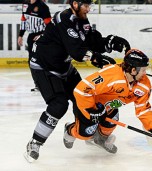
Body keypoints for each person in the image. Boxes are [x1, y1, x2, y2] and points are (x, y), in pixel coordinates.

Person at [24, 0, 130, 162]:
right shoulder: (63, 18)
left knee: (85, 97)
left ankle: (92, 135)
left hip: (64, 67)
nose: (88, 9)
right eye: (86, 5)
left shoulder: (81, 19)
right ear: (74, 3)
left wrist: (110, 42)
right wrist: (95, 57)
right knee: (59, 105)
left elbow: (91, 40)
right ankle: (35, 142)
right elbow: (75, 50)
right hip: (44, 67)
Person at [63, 49, 152, 154]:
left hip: (109, 107)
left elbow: (143, 109)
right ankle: (69, 130)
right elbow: (81, 90)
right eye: (143, 70)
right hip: (88, 106)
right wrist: (91, 111)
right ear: (133, 70)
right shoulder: (112, 76)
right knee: (84, 134)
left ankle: (100, 140)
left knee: (109, 125)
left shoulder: (144, 85)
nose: (145, 73)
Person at [18, 0, 51, 92]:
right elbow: (23, 20)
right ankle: (38, 84)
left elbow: (49, 24)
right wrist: (20, 35)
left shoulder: (43, 6)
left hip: (41, 35)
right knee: (32, 61)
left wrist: (43, 35)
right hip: (31, 36)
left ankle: (48, 83)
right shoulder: (25, 4)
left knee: (41, 60)